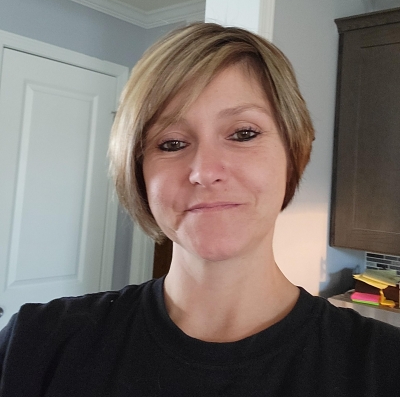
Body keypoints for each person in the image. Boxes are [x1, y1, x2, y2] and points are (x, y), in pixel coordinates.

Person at [1, 22, 399, 396]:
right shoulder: (37, 343)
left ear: (292, 154)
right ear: (138, 171)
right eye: (171, 143)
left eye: (243, 134)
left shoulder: (382, 364)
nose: (205, 172)